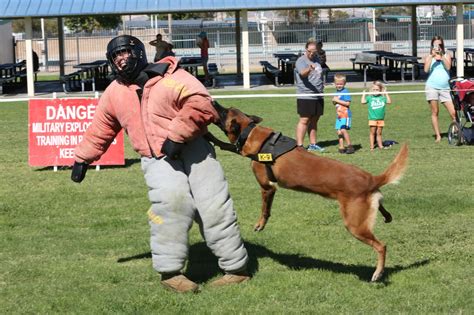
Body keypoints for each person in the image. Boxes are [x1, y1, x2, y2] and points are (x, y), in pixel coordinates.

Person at [71, 35, 249, 293]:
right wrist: (82, 157)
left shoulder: (173, 76)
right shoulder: (114, 93)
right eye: (116, 56)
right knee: (169, 207)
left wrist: (177, 135)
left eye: (126, 53)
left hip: (195, 151)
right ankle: (171, 273)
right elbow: (101, 127)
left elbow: (201, 102)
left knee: (214, 206)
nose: (121, 59)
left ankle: (236, 269)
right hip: (156, 158)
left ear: (139, 54)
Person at [423, 35, 456, 143]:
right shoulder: (429, 56)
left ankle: (456, 130)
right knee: (435, 111)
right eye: (435, 44)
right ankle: (438, 135)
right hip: (432, 87)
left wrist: (441, 56)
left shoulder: (447, 55)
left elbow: (448, 67)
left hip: (445, 88)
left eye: (439, 44)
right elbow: (426, 70)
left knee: (453, 112)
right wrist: (432, 56)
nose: (437, 46)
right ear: (432, 45)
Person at [294, 39, 325, 152]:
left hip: (318, 95)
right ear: (306, 49)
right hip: (306, 95)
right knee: (304, 120)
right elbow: (302, 74)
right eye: (310, 51)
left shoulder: (317, 59)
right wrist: (309, 68)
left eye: (314, 51)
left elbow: (319, 73)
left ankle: (313, 144)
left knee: (314, 121)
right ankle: (300, 146)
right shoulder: (301, 61)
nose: (312, 53)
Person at [361, 80, 392, 150]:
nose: (375, 91)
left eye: (377, 89)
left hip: (381, 119)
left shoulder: (382, 98)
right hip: (372, 119)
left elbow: (389, 102)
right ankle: (372, 146)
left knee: (379, 133)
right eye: (374, 89)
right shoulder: (370, 98)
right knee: (372, 133)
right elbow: (363, 102)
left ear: (380, 90)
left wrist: (386, 93)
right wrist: (363, 95)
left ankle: (380, 146)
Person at [332, 73, 354, 154]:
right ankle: (341, 147)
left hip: (345, 114)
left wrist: (337, 100)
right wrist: (334, 101)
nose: (339, 85)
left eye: (341, 84)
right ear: (335, 83)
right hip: (339, 115)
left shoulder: (345, 91)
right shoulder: (336, 92)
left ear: (344, 83)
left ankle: (350, 146)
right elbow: (336, 103)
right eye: (337, 84)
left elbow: (347, 103)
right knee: (339, 131)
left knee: (343, 130)